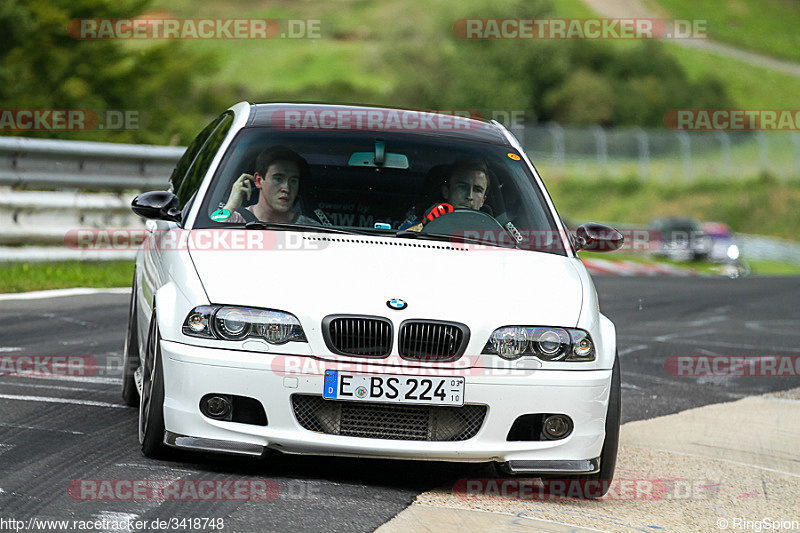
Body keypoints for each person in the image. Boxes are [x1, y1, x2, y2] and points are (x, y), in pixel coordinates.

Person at [220, 146, 319, 225]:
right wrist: (230, 206)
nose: (287, 189)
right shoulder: (235, 219)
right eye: (278, 179)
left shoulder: (309, 228)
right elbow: (208, 233)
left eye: (293, 181)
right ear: (258, 180)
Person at [400, 157, 490, 231]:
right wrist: (426, 226)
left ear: (483, 200)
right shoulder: (416, 227)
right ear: (446, 192)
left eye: (477, 190)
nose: (469, 196)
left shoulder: (494, 235)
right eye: (462, 187)